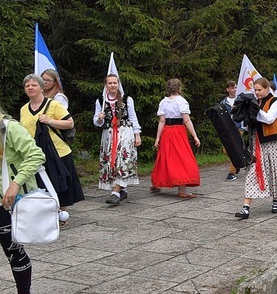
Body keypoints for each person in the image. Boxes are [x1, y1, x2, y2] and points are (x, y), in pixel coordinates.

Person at [1, 105, 45, 294]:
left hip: (6, 202)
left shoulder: (10, 129)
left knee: (13, 249)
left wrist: (15, 183)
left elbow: (36, 155)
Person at [19, 74, 84, 217]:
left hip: (58, 152)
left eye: (34, 85)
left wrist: (49, 121)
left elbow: (69, 123)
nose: (30, 88)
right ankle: (45, 213)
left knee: (60, 183)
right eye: (27, 86)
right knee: (40, 185)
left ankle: (62, 213)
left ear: (42, 88)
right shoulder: (24, 109)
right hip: (35, 154)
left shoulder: (54, 105)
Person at [235, 78, 277, 219]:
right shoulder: (254, 102)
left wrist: (254, 109)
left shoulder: (276, 101)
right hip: (256, 142)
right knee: (252, 173)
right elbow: (249, 122)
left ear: (267, 88)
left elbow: (269, 119)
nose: (256, 92)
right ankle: (246, 208)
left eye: (259, 90)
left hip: (272, 142)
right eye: (255, 90)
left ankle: (275, 200)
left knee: (273, 172)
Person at [93, 74, 142, 205]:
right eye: (110, 83)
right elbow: (96, 122)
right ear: (106, 85)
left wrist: (137, 134)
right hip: (108, 135)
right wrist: (100, 118)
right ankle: (122, 189)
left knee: (121, 159)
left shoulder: (127, 99)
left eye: (115, 83)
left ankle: (115, 193)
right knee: (111, 161)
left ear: (118, 84)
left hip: (125, 133)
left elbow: (132, 117)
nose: (112, 85)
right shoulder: (101, 101)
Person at [150, 78, 201, 198]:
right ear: (179, 88)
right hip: (178, 132)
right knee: (181, 158)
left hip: (167, 131)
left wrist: (157, 138)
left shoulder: (163, 102)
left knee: (165, 157)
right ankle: (182, 190)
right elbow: (187, 120)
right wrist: (195, 136)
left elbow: (161, 121)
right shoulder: (181, 101)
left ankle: (156, 183)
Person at [219, 80, 242, 181]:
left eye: (235, 87)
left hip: (238, 127)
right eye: (232, 88)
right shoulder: (223, 103)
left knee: (233, 148)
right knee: (226, 150)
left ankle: (232, 172)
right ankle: (240, 159)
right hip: (228, 128)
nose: (234, 90)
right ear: (227, 89)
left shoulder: (240, 100)